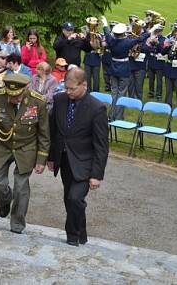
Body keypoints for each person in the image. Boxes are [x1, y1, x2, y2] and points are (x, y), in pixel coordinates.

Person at [0, 73, 49, 234]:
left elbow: (44, 134)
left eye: (16, 96)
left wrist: (41, 159)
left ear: (25, 89)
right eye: (10, 95)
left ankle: (17, 223)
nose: (12, 99)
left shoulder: (38, 102)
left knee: (21, 188)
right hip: (1, 146)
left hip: (26, 148)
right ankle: (5, 200)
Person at [48, 67, 109, 246]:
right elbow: (54, 131)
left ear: (84, 85)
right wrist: (51, 157)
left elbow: (101, 145)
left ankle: (72, 236)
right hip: (64, 160)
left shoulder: (96, 108)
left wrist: (97, 175)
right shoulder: (59, 100)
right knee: (70, 198)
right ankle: (81, 233)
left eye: (72, 88)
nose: (68, 92)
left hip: (85, 162)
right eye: (66, 88)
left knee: (75, 198)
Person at [103, 19, 149, 118]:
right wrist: (150, 31)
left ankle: (111, 114)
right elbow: (140, 39)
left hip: (113, 68)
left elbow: (107, 33)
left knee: (114, 92)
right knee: (121, 93)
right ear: (123, 33)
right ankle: (118, 115)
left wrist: (105, 24)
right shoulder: (127, 42)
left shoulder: (111, 40)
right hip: (123, 69)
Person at [145, 24, 166, 99]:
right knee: (151, 79)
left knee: (159, 80)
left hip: (159, 62)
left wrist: (158, 43)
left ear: (161, 31)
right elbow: (147, 48)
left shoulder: (164, 39)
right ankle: (151, 92)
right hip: (151, 60)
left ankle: (158, 94)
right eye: (156, 31)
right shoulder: (151, 37)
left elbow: (163, 50)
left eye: (159, 31)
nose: (157, 32)